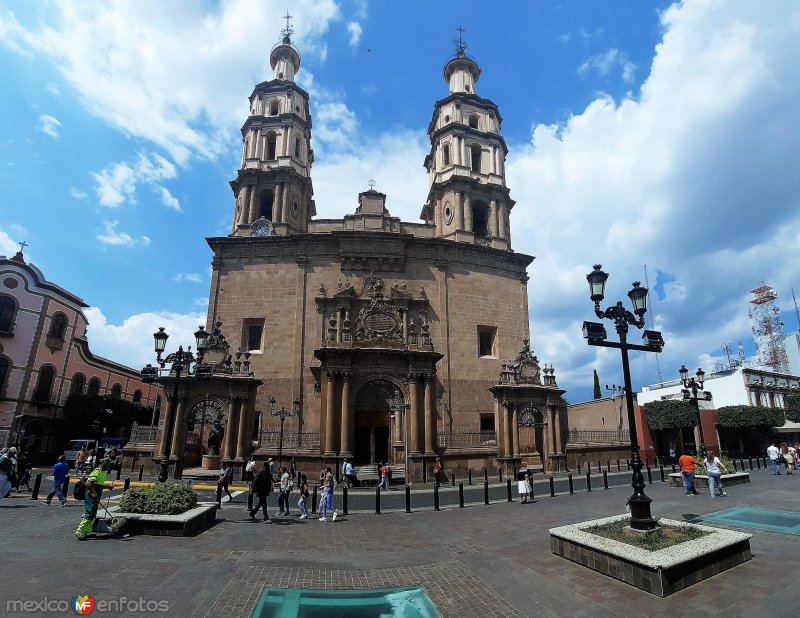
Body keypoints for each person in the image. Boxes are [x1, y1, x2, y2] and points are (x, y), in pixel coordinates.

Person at [75, 458, 113, 540]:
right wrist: (93, 493)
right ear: (104, 464)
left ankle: (87, 531)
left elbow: (99, 485)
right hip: (91, 496)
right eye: (109, 465)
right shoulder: (97, 472)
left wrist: (108, 487)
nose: (110, 466)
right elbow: (89, 483)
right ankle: (80, 531)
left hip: (96, 496)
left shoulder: (103, 473)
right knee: (90, 513)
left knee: (93, 513)